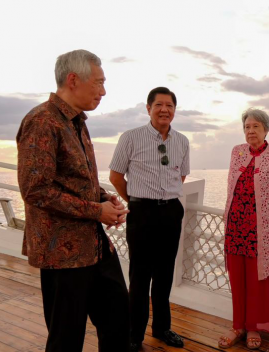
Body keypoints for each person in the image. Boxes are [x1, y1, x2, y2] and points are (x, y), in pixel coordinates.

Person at [16, 49, 130, 352]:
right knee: (66, 340)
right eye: (99, 83)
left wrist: (106, 199)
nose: (104, 91)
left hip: (94, 246)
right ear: (73, 79)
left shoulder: (76, 121)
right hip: (62, 255)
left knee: (119, 323)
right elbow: (36, 189)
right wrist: (97, 210)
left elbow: (74, 180)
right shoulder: (42, 121)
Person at [109, 87, 190, 351]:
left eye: (169, 105)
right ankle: (135, 335)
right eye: (159, 105)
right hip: (141, 213)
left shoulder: (182, 141)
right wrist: (134, 200)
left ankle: (162, 328)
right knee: (140, 275)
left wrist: (167, 201)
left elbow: (181, 177)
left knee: (165, 273)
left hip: (170, 212)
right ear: (148, 108)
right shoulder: (131, 138)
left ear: (174, 110)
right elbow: (116, 176)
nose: (164, 110)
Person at [217, 108, 269, 349]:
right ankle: (238, 325)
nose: (250, 131)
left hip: (264, 229)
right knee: (238, 277)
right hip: (236, 225)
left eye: (255, 126)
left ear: (266, 129)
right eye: (247, 127)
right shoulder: (237, 151)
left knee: (256, 280)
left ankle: (253, 326)